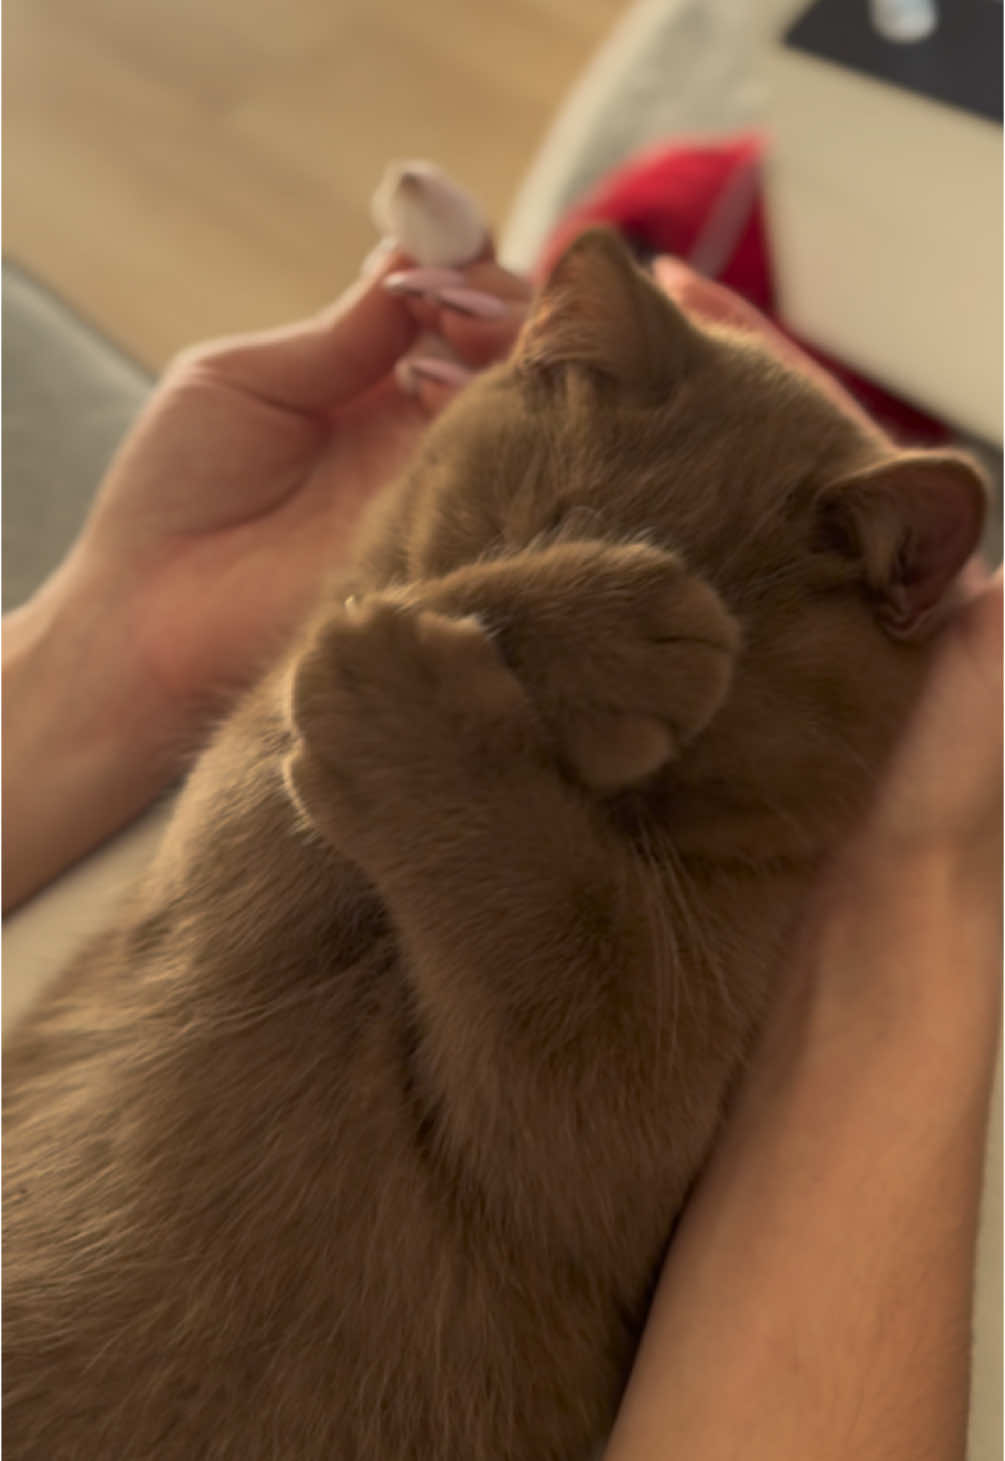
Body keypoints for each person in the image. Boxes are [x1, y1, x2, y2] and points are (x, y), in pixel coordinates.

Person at [3, 237, 1001, 1458]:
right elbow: (220, 913)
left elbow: (572, 1150)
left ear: (902, 591)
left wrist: (460, 706)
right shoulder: (341, 669)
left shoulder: (731, 887)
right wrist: (484, 648)